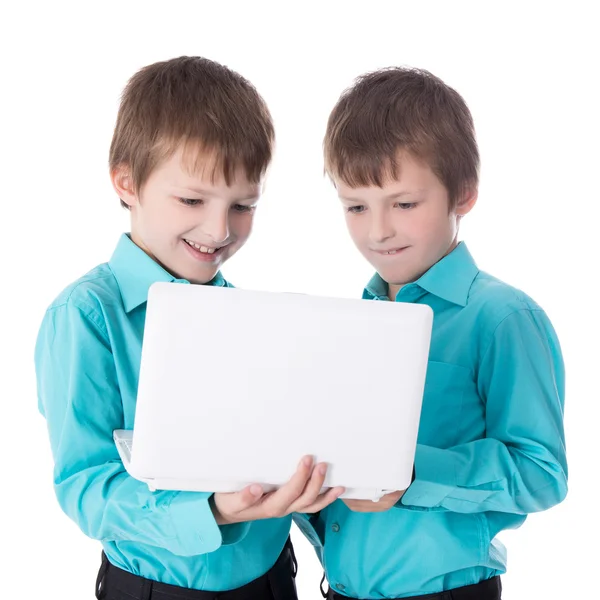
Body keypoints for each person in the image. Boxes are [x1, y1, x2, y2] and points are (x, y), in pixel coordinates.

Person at [35, 55, 343, 600]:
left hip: (273, 579)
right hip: (159, 589)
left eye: (243, 205)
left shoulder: (253, 319)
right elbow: (86, 486)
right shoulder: (86, 316)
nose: (219, 229)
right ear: (127, 182)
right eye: (192, 200)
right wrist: (211, 510)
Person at [294, 66, 568, 600]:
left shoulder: (503, 318)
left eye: (404, 204)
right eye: (356, 207)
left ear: (462, 194)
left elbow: (542, 473)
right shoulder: (352, 322)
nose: (378, 231)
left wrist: (408, 472)